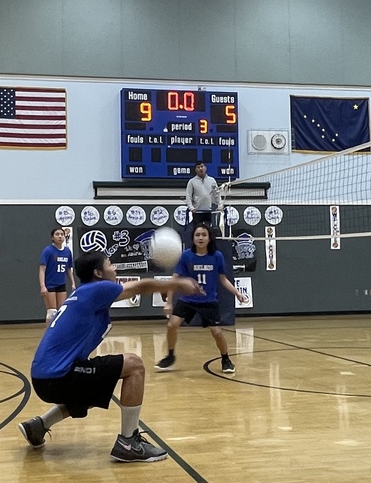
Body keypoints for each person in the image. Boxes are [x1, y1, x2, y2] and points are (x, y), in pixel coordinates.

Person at [18, 250, 201, 462]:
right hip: (58, 375)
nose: (114, 268)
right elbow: (139, 287)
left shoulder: (82, 294)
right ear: (98, 273)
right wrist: (176, 284)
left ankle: (39, 425)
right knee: (134, 365)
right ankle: (128, 442)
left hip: (44, 378)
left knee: (98, 385)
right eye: (110, 264)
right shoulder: (98, 288)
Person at [156, 223, 243, 374]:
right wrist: (169, 302)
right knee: (172, 325)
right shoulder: (186, 255)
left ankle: (226, 359)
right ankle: (170, 356)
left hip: (208, 301)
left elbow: (223, 280)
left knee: (216, 332)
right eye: (197, 235)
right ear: (193, 238)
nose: (201, 238)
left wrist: (237, 293)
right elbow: (174, 279)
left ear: (209, 238)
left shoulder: (217, 256)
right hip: (188, 300)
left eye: (204, 235)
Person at [39, 227, 75, 326]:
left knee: (61, 311)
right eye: (57, 234)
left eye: (61, 234)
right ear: (52, 237)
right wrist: (42, 286)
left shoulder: (67, 252)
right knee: (52, 312)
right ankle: (49, 335)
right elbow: (42, 269)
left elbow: (68, 269)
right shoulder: (48, 251)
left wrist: (73, 283)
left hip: (61, 284)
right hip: (50, 284)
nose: (60, 236)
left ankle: (58, 333)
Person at [185, 160, 220, 229]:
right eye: (198, 167)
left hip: (209, 211)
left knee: (209, 230)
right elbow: (188, 196)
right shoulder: (192, 181)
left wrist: (219, 205)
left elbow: (217, 194)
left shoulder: (212, 180)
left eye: (202, 166)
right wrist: (191, 208)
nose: (200, 168)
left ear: (205, 168)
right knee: (197, 229)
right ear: (195, 170)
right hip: (197, 212)